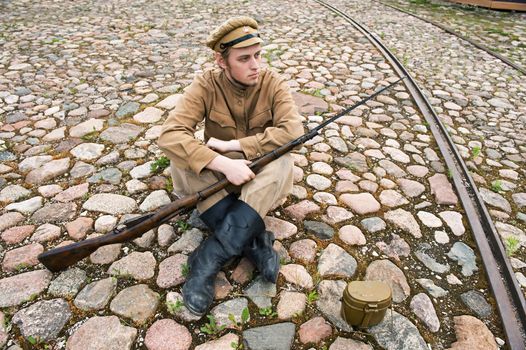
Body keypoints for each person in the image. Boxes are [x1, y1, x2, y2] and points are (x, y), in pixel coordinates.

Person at [157, 16, 303, 317]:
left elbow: (293, 133)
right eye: (244, 58)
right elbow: (170, 135)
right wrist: (221, 161)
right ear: (221, 61)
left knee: (283, 161)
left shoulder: (272, 82)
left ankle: (207, 258)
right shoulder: (206, 85)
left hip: (256, 177)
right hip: (217, 178)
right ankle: (255, 241)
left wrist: (234, 147)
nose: (255, 65)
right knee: (181, 161)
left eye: (258, 55)